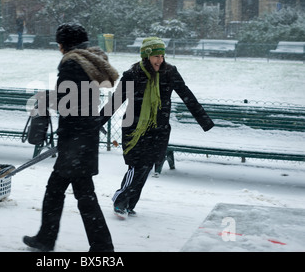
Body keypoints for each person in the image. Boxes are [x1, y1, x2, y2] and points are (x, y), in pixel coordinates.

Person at [23, 23, 119, 252]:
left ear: (65, 44)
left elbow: (70, 104)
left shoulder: (72, 64)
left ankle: (48, 240)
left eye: (59, 43)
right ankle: (100, 245)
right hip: (84, 138)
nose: (58, 48)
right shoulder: (87, 63)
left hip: (75, 141)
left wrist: (48, 101)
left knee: (59, 192)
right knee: (84, 195)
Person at [100, 37, 214, 219]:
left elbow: (186, 95)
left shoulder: (169, 73)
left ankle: (129, 204)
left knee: (146, 167)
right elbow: (115, 101)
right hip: (134, 128)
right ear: (146, 57)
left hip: (159, 130)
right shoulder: (132, 75)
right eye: (155, 56)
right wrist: (96, 123)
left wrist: (204, 121)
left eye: (162, 56)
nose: (160, 60)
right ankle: (120, 200)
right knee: (136, 166)